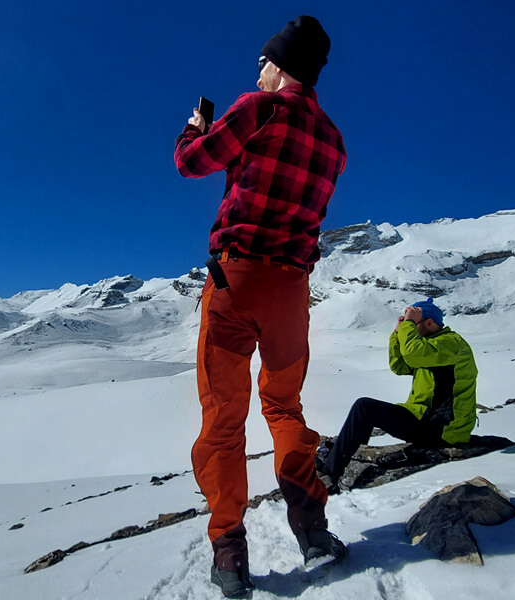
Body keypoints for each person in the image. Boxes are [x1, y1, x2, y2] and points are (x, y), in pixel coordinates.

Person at [173, 15, 347, 599]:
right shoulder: (334, 139)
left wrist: (191, 129)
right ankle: (312, 525)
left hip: (237, 276)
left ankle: (229, 550)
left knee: (224, 416)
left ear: (280, 65)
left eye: (264, 62)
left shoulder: (258, 108)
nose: (258, 70)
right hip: (292, 287)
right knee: (285, 405)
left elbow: (193, 163)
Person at [318, 298, 478, 490]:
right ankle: (348, 459)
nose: (411, 326)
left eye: (415, 323)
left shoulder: (451, 344)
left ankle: (330, 473)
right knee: (367, 411)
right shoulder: (432, 345)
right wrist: (397, 333)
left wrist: (407, 326)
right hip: (427, 419)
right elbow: (400, 366)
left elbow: (412, 354)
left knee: (365, 407)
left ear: (430, 323)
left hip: (443, 427)